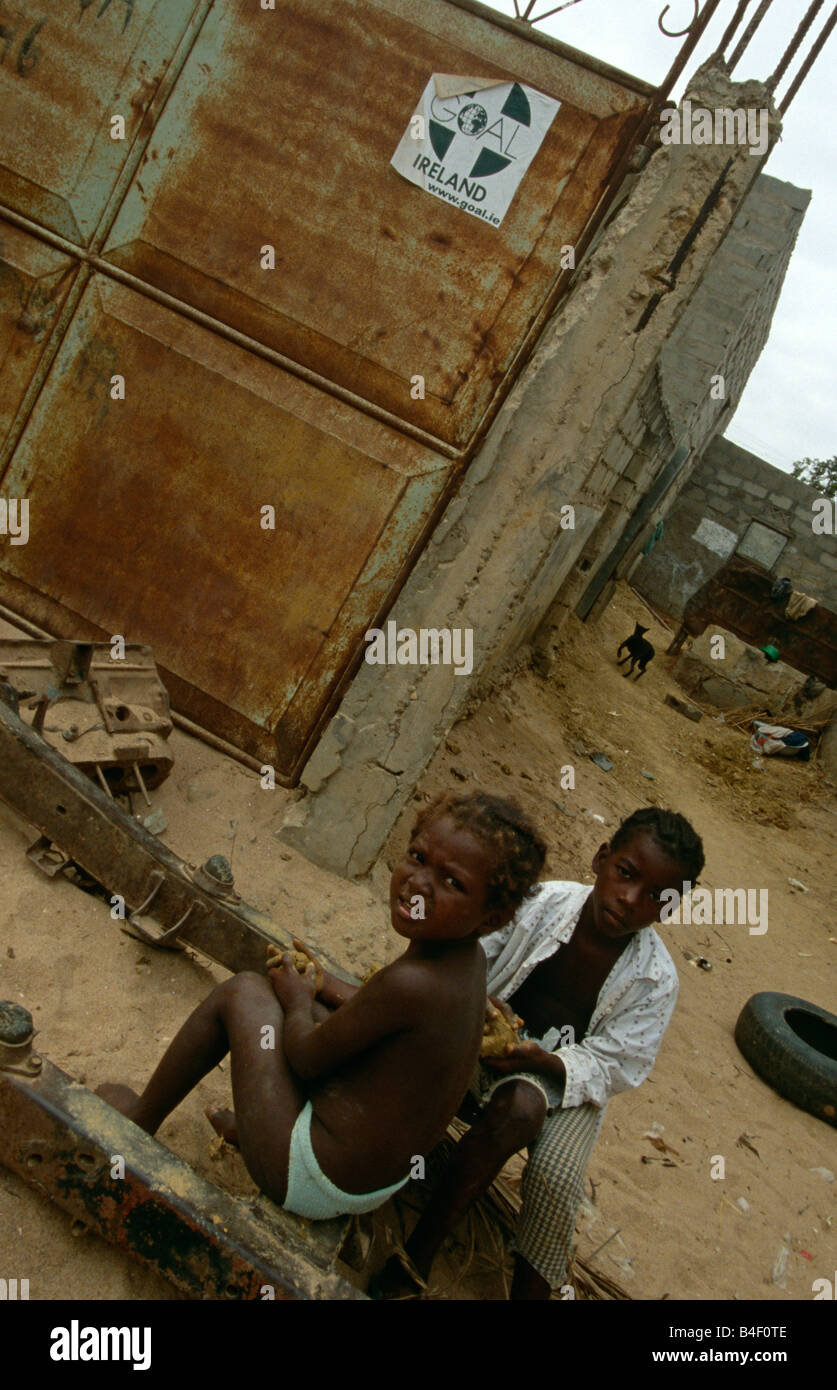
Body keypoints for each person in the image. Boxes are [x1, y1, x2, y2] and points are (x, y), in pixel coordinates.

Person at [96, 791, 546, 1222]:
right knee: (314, 1014)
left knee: (246, 992)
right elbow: (374, 1017)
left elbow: (307, 1058)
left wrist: (297, 1001)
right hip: (370, 1183)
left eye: (453, 882)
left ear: (494, 917)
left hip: (313, 1177)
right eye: (417, 856)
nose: (419, 882)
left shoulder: (412, 982)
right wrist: (321, 988)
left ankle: (141, 1119)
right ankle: (258, 1128)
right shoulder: (465, 964)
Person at [375, 806, 704, 1299]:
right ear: (602, 858)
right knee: (399, 1055)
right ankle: (410, 1242)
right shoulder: (545, 903)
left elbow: (618, 1063)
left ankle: (505, 1281)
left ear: (671, 907)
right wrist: (482, 1008)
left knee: (554, 1178)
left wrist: (544, 1062)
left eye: (656, 896)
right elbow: (472, 952)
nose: (630, 899)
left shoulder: (655, 979)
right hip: (479, 1035)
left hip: (564, 1081)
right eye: (627, 874)